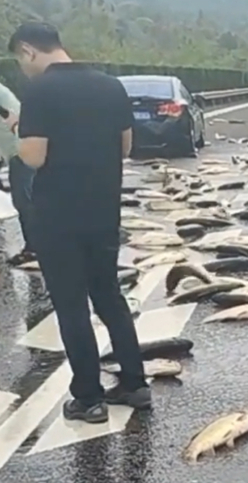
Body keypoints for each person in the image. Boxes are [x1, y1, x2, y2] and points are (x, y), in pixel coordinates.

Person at [7, 21, 151, 424]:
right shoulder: (110, 86)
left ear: (28, 51)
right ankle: (135, 384)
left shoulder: (38, 92)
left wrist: (22, 133)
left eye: (21, 59)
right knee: (109, 296)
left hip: (58, 217)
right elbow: (125, 147)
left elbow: (34, 157)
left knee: (71, 305)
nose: (23, 68)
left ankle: (88, 398)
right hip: (104, 211)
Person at [0, 81, 36, 265]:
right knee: (26, 199)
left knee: (24, 200)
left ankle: (34, 248)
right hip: (18, 149)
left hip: (19, 150)